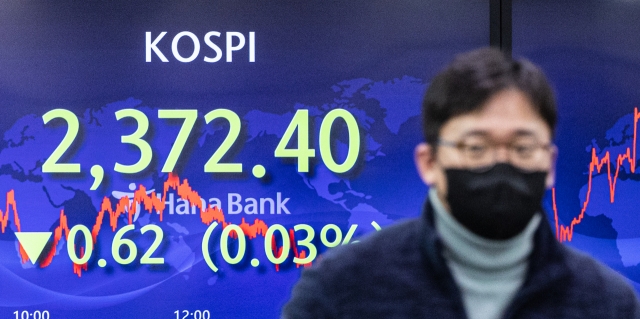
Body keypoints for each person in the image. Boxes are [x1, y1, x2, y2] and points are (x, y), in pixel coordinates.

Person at [282, 47, 640, 318]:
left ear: (549, 164)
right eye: (475, 147)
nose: (501, 164)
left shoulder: (609, 304)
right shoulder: (339, 290)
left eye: (523, 146)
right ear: (430, 163)